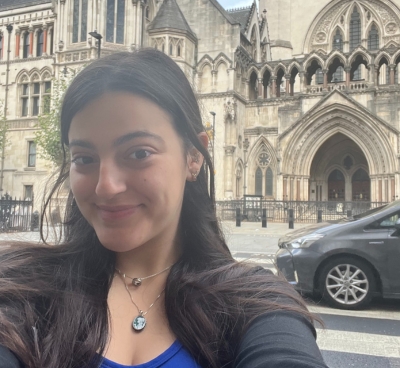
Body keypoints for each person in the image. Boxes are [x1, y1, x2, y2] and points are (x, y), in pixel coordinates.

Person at [0, 49, 328, 368]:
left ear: (194, 156)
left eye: (139, 153)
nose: (106, 186)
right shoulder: (23, 289)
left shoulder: (256, 302)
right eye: (84, 159)